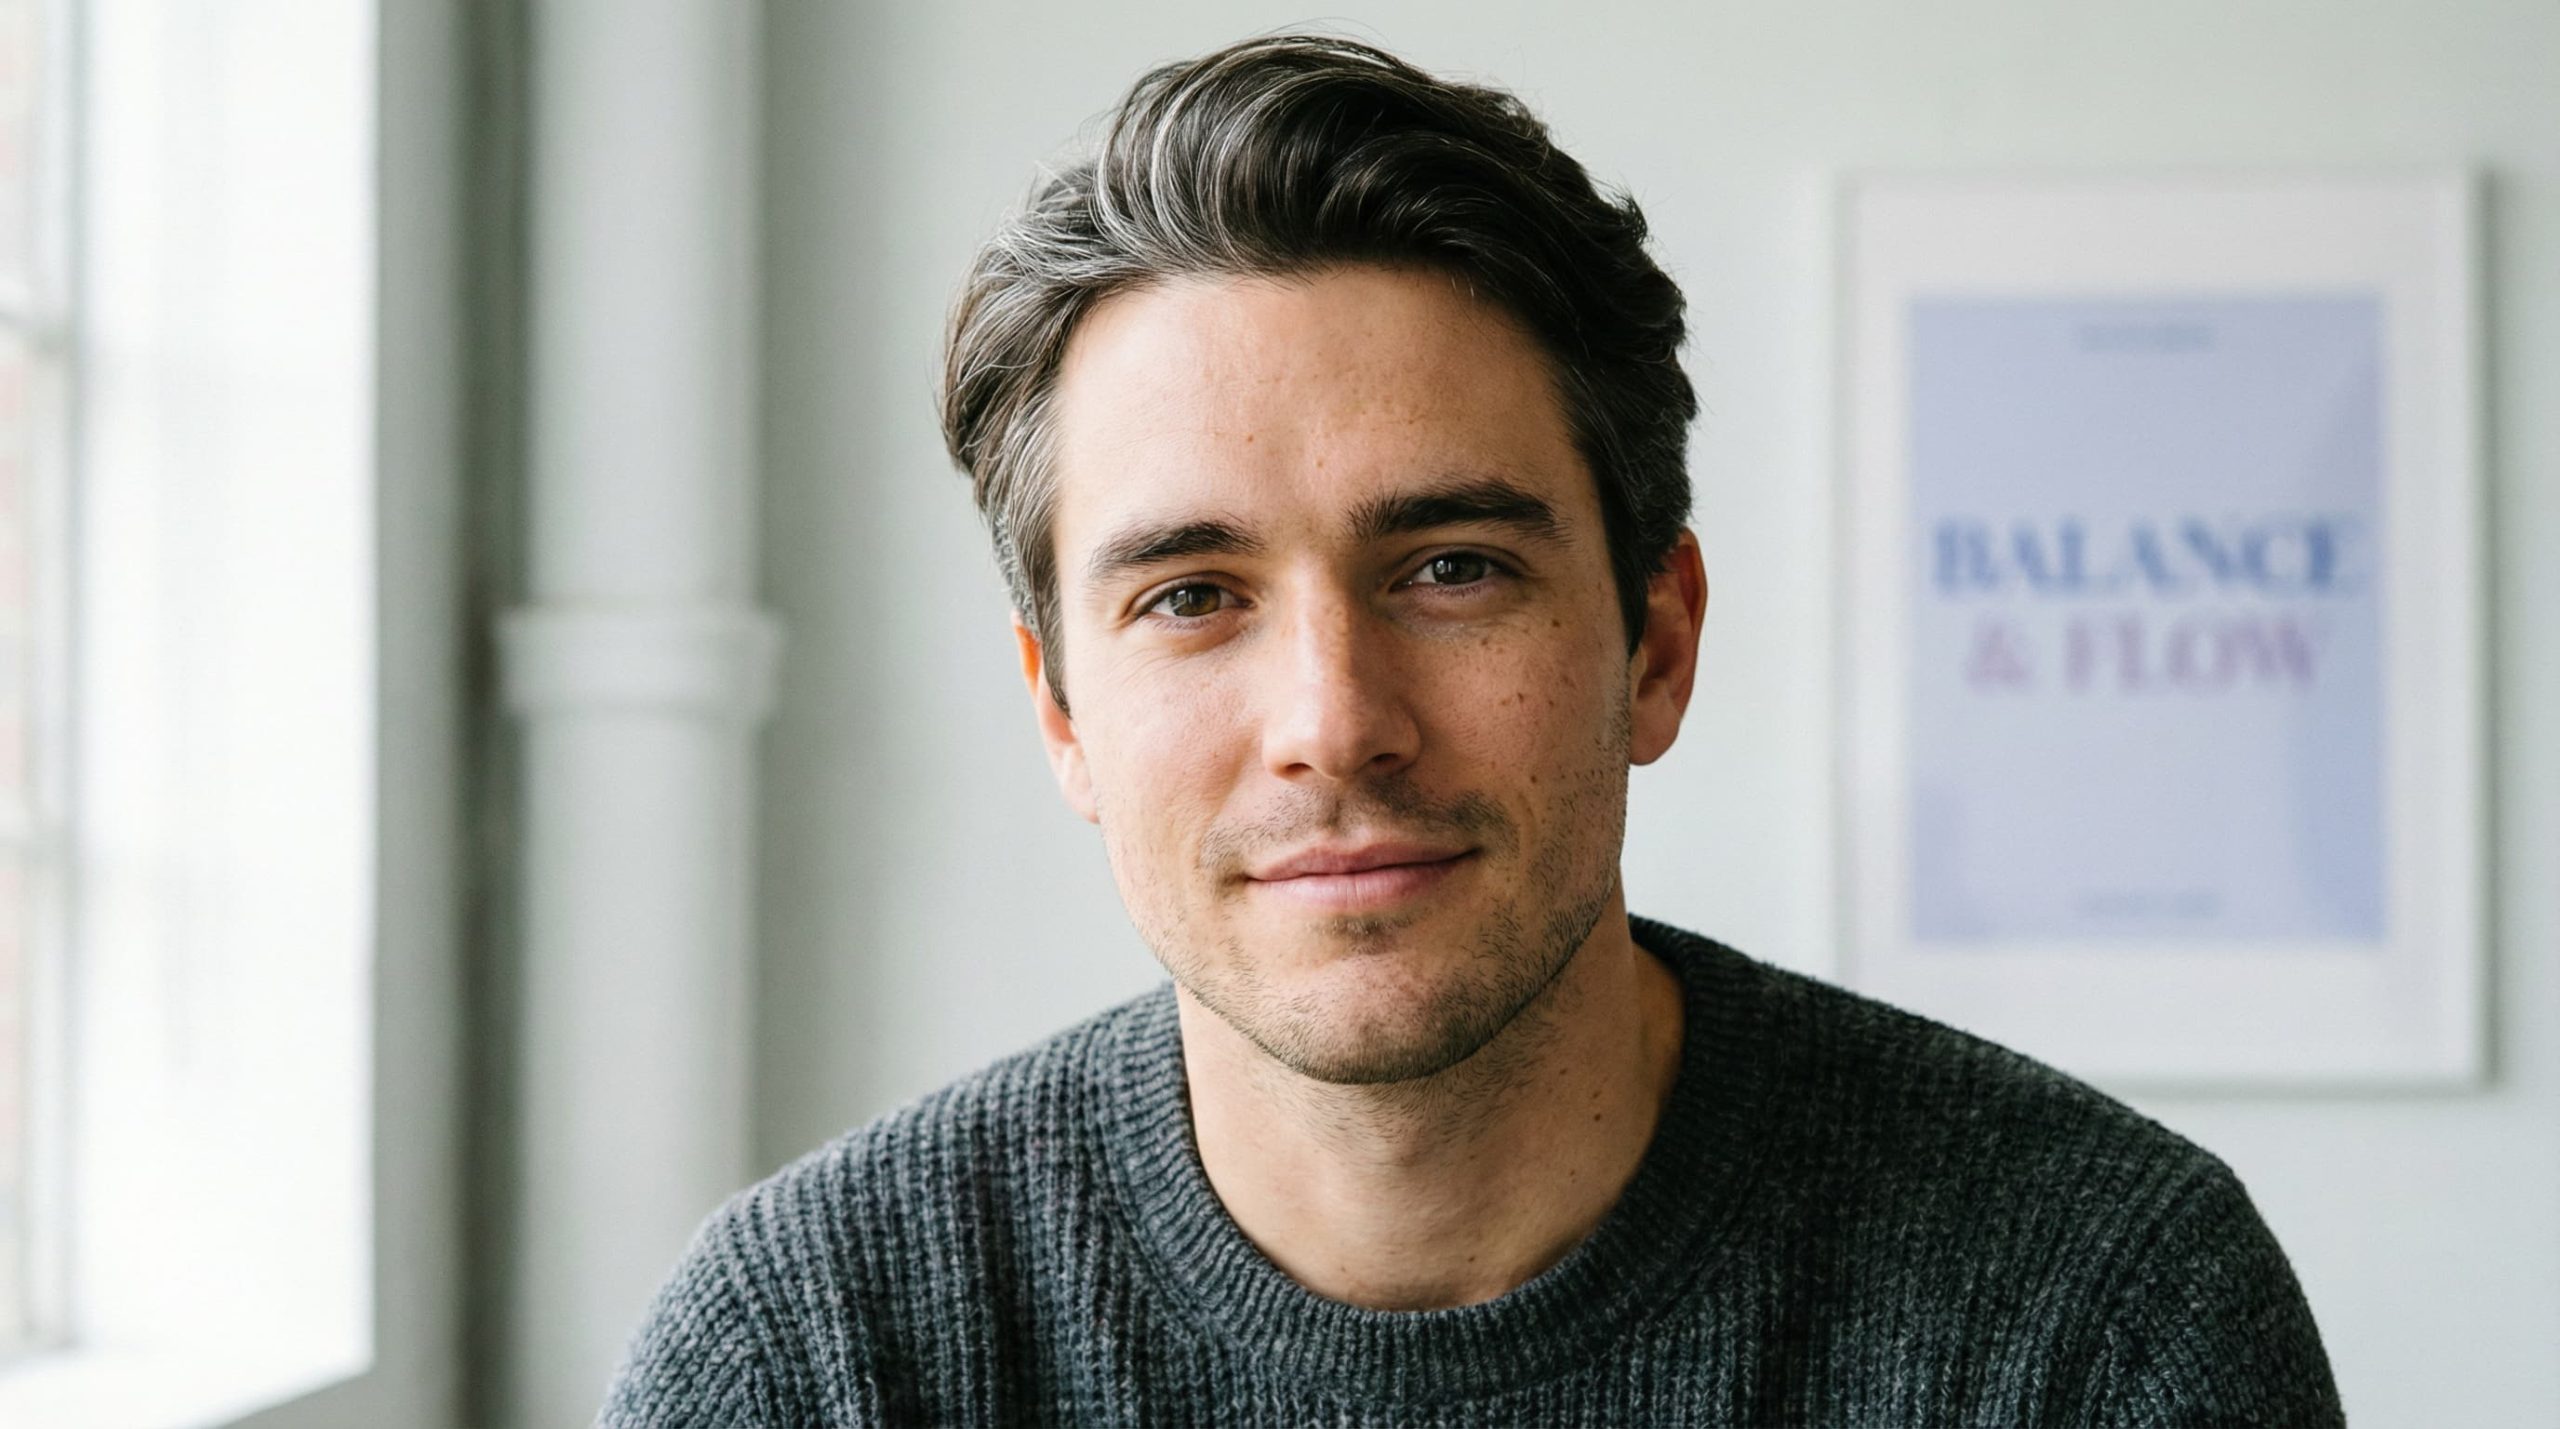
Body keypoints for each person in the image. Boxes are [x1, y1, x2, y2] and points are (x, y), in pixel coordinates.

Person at [603, 35, 2342, 1426]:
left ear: (1653, 643)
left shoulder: (2097, 1314)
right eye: (1193, 595)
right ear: (1061, 711)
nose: (1333, 722)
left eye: (1450, 567)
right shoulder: (815, 1356)